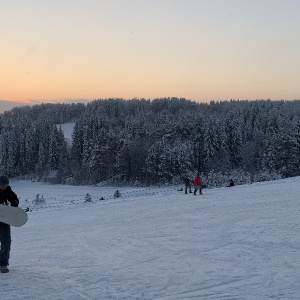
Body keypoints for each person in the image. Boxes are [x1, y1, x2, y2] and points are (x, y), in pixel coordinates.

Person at [0, 175, 19, 273]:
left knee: (6, 242)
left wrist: (13, 206)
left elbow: (15, 204)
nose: (2, 186)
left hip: (5, 221)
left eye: (4, 185)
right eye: (1, 185)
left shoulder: (11, 194)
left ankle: (3, 264)